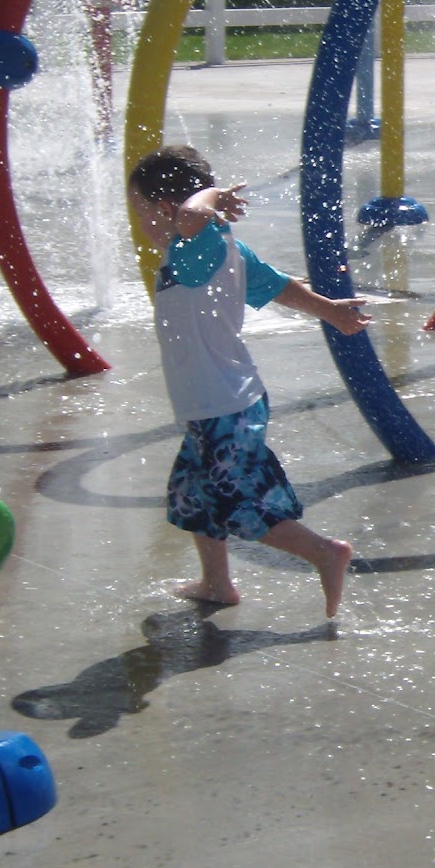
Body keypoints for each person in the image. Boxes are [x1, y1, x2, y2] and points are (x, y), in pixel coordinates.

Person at [127, 145, 371, 618]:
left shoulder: (196, 247)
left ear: (165, 210)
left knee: (240, 505)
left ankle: (324, 552)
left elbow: (194, 219)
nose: (138, 224)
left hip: (224, 405)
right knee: (194, 495)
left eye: (140, 212)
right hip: (215, 405)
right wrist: (331, 311)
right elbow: (276, 285)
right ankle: (217, 584)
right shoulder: (219, 248)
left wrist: (209, 196)